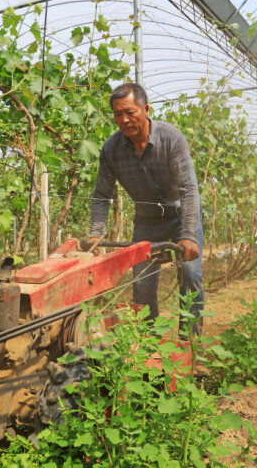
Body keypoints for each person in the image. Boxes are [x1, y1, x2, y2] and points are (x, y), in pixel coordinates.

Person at [88, 83, 205, 337]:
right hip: (147, 224)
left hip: (181, 218)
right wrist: (96, 233)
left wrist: (188, 235)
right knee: (140, 284)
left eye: (130, 112)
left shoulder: (171, 138)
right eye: (118, 114)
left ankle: (191, 346)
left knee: (190, 274)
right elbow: (101, 196)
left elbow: (189, 189)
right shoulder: (111, 149)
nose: (125, 120)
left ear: (146, 108)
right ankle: (149, 348)